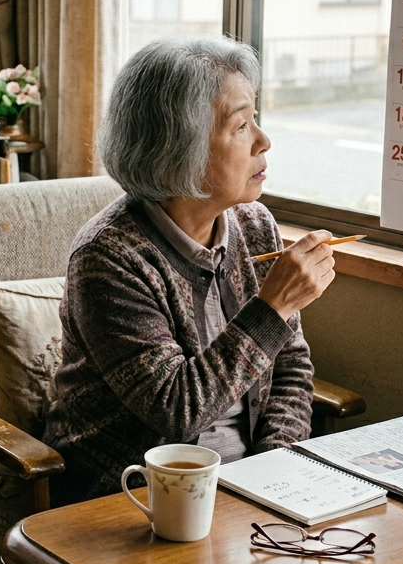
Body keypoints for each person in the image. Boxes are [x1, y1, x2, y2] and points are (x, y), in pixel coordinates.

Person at [43, 36, 334, 505]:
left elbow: (290, 367)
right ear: (182, 150)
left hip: (247, 485)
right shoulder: (110, 257)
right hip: (130, 494)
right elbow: (176, 411)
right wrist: (273, 306)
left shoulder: (255, 225)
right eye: (241, 126)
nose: (263, 140)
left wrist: (274, 470)